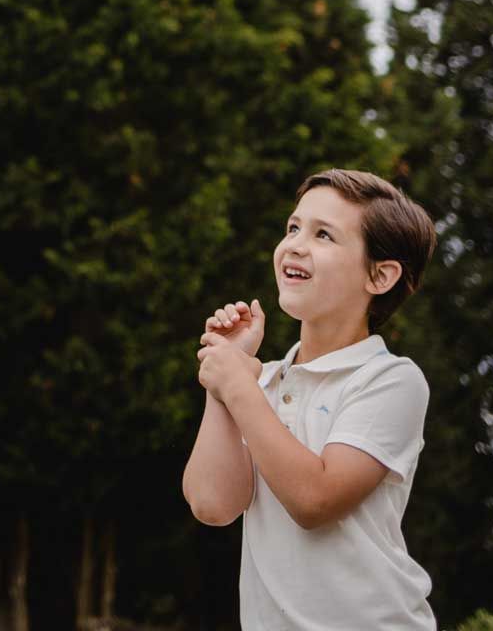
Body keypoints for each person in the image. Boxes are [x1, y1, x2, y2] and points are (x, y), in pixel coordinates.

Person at [181, 169, 440, 630]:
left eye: (324, 235)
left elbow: (314, 501)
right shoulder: (261, 386)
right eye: (293, 227)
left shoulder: (391, 380)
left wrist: (239, 386)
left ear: (379, 275)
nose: (296, 244)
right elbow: (212, 504)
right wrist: (225, 383)